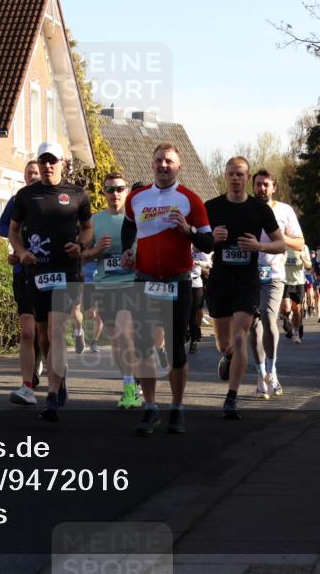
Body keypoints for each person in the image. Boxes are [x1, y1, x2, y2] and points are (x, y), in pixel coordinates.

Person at [122, 143, 214, 434]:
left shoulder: (191, 199)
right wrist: (127, 251)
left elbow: (208, 244)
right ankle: (150, 407)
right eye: (159, 161)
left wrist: (188, 230)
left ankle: (177, 407)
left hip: (178, 281)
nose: (164, 166)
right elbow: (128, 227)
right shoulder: (136, 198)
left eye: (169, 162)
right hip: (146, 279)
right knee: (144, 346)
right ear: (152, 164)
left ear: (179, 166)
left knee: (175, 349)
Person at [8, 141, 92, 421]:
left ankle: (52, 397)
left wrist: (80, 245)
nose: (47, 166)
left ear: (62, 163)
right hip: (37, 272)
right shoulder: (25, 195)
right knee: (43, 336)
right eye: (43, 161)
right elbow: (14, 231)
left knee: (55, 332)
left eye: (52, 161)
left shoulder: (78, 194)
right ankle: (61, 377)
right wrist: (21, 252)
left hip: (66, 271)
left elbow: (88, 228)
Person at [81, 172, 141, 409]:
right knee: (117, 338)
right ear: (104, 193)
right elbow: (81, 255)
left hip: (132, 284)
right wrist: (95, 252)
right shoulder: (95, 221)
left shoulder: (136, 219)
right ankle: (129, 378)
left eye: (119, 189)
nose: (114, 194)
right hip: (105, 286)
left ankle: (130, 387)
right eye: (109, 189)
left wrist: (137, 259)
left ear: (126, 191)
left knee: (126, 332)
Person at [246, 170, 300, 399]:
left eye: (266, 185)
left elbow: (299, 243)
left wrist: (279, 237)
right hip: (248, 274)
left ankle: (272, 369)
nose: (262, 189)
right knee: (253, 325)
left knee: (269, 319)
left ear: (274, 187)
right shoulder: (245, 207)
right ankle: (260, 375)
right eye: (258, 184)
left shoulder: (285, 210)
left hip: (274, 274)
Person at [0, 160, 45, 398]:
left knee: (43, 329)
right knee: (27, 330)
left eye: (36, 172)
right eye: (29, 173)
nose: (33, 176)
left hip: (46, 271)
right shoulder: (17, 201)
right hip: (21, 271)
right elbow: (0, 227)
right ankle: (28, 379)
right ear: (24, 177)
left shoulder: (51, 200)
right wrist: (18, 233)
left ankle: (42, 362)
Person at [282, 241, 311, 344]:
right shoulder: (282, 245)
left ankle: (296, 333)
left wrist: (303, 259)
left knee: (297, 309)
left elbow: (309, 266)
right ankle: (287, 319)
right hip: (285, 281)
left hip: (298, 282)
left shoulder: (303, 247)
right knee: (286, 309)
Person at [188, 248, 211, 354]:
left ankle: (194, 340)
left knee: (194, 312)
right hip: (182, 282)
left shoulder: (198, 247)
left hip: (196, 283)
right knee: (183, 314)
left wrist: (197, 262)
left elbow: (209, 264)